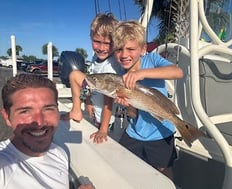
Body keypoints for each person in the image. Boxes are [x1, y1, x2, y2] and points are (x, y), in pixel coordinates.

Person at [112, 20, 184, 179]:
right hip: (135, 132)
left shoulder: (152, 59)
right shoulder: (120, 74)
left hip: (160, 132)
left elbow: (177, 72)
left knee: (163, 171)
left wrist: (141, 74)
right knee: (122, 165)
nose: (124, 55)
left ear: (143, 49)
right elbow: (133, 114)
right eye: (119, 49)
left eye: (131, 49)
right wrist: (127, 105)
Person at [0, 73, 94, 189]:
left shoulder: (59, 154)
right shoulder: (4, 163)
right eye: (25, 111)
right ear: (7, 117)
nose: (39, 122)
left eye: (48, 109)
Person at [60, 13, 121, 144]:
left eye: (107, 43)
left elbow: (108, 102)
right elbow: (89, 82)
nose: (101, 48)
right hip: (95, 112)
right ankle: (76, 110)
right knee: (74, 74)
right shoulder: (96, 58)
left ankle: (104, 129)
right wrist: (87, 100)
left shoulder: (111, 67)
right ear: (91, 38)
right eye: (97, 42)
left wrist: (103, 129)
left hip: (106, 120)